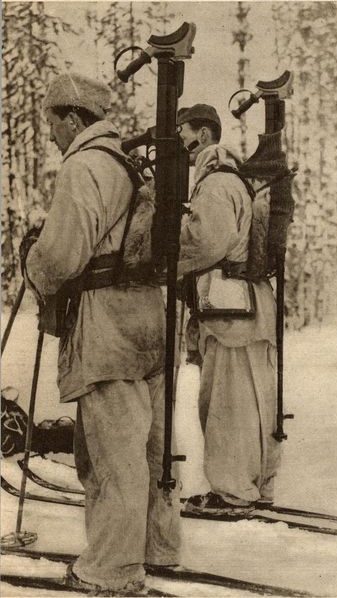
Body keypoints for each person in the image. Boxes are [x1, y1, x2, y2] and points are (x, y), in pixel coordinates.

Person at [20, 72, 180, 593]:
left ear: (72, 117)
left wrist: (32, 266)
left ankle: (112, 568)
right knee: (148, 448)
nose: (50, 134)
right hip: (148, 318)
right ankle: (157, 546)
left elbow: (63, 255)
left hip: (107, 323)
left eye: (51, 121)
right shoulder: (128, 163)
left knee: (110, 452)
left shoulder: (85, 166)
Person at [177, 104, 281, 516]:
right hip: (246, 306)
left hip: (227, 309)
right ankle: (255, 484)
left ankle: (232, 490)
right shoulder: (232, 178)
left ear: (202, 135)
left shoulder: (215, 182)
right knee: (253, 400)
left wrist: (168, 259)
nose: (179, 140)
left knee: (226, 403)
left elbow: (208, 243)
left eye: (184, 131)